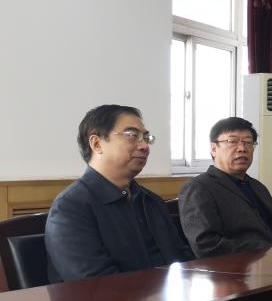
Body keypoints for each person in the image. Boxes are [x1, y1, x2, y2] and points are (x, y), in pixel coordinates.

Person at [45, 105, 193, 283]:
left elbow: (182, 260)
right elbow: (94, 284)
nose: (144, 146)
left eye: (146, 138)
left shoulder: (151, 201)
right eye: (132, 135)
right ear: (97, 144)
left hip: (169, 296)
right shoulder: (70, 208)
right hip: (112, 300)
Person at [178, 117, 272, 258]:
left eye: (248, 142)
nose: (242, 148)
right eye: (232, 141)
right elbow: (206, 245)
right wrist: (268, 250)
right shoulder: (198, 188)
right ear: (213, 149)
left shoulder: (258, 187)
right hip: (241, 267)